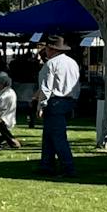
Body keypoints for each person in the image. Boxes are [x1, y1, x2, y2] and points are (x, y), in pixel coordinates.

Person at [35, 34, 81, 178]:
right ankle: (46, 165)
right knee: (49, 135)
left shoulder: (51, 64)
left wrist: (40, 105)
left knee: (57, 137)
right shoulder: (72, 63)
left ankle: (68, 168)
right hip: (69, 100)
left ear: (51, 49)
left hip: (55, 101)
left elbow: (46, 87)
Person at [0, 73, 23, 149]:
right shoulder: (6, 92)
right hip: (5, 118)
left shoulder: (7, 94)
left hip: (5, 119)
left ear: (2, 84)